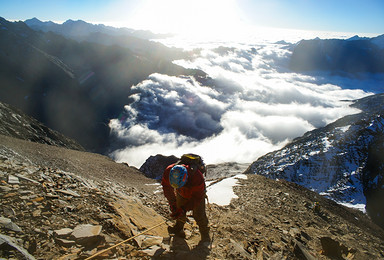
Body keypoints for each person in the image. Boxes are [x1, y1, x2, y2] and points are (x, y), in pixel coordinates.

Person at [161, 156, 210, 244]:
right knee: (178, 211)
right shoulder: (169, 171)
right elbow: (166, 187)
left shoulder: (197, 177)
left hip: (195, 193)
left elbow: (197, 197)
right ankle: (178, 228)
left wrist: (184, 209)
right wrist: (173, 203)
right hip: (181, 192)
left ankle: (205, 234)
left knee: (199, 215)